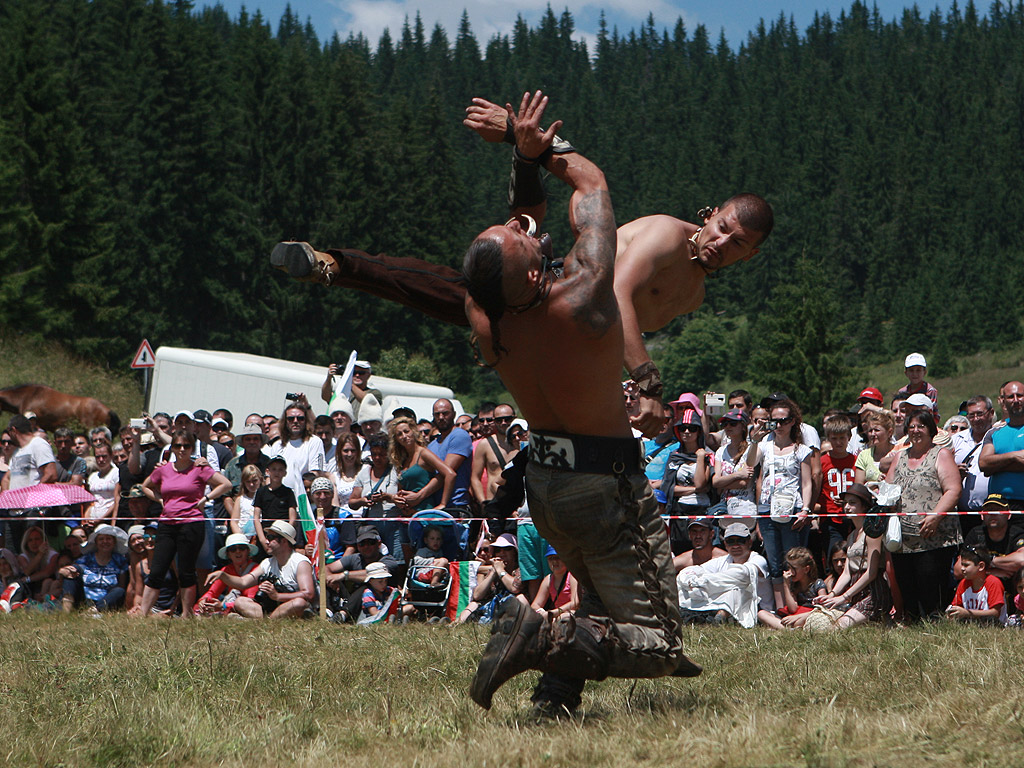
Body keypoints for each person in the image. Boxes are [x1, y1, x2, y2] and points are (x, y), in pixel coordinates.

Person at [274, 99, 772, 439]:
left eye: (737, 244)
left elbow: (618, 330)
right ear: (710, 215)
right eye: (723, 227)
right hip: (559, 284)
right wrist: (646, 379)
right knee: (451, 285)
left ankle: (524, 154)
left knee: (495, 260)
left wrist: (622, 390)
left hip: (572, 344)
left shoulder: (696, 296)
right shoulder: (666, 233)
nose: (722, 242)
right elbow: (615, 293)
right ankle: (334, 264)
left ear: (749, 257)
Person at [461, 91, 701, 716]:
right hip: (605, 483)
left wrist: (522, 154)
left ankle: (555, 698)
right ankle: (537, 633)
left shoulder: (487, 318)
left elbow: (523, 230)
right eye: (517, 237)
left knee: (596, 593)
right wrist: (538, 144)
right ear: (537, 273)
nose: (520, 227)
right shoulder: (586, 298)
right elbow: (590, 182)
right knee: (660, 646)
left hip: (545, 483)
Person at [138, 429, 231, 617]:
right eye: (178, 445)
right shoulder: (163, 469)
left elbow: (225, 484)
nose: (182, 449)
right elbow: (145, 486)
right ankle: (143, 613)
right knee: (157, 569)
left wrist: (206, 498)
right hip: (167, 523)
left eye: (186, 446)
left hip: (191, 523)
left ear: (192, 447)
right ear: (172, 447)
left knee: (187, 570)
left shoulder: (200, 468)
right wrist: (160, 500)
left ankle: (187, 614)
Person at [885, 411, 962, 620]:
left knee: (930, 590)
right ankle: (913, 625)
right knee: (908, 589)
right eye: (911, 426)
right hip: (903, 539)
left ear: (930, 430)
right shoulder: (900, 456)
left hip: (934, 538)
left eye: (921, 426)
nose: (915, 431)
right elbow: (888, 488)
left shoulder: (941, 454)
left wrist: (935, 517)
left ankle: (934, 627)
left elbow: (953, 490)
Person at [744, 398, 815, 609]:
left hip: (792, 507)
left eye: (784, 420)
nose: (779, 425)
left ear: (793, 421)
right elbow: (749, 464)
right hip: (767, 506)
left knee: (793, 560)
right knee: (774, 562)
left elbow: (807, 482)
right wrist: (754, 439)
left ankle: (796, 605)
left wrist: (805, 509)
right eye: (774, 421)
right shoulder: (765, 447)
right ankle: (780, 608)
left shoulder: (801, 449)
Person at [815, 483, 891, 628]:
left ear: (864, 506)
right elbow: (847, 572)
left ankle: (882, 619)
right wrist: (832, 595)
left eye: (852, 503)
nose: (847, 507)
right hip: (856, 591)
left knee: (838, 627)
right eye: (845, 503)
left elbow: (872, 572)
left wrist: (844, 597)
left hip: (873, 591)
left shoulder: (872, 533)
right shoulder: (851, 536)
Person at [207, 520, 315, 619]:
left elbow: (308, 594)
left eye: (271, 537)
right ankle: (270, 619)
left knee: (299, 603)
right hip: (272, 607)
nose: (266, 541)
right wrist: (222, 575)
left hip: (293, 606)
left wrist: (277, 596)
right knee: (240, 601)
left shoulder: (300, 562)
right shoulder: (267, 563)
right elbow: (243, 582)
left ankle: (265, 620)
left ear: (284, 541)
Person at [662, 411, 711, 555]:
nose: (687, 432)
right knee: (680, 549)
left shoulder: (707, 455)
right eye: (683, 428)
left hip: (702, 509)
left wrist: (700, 457)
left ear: (698, 431)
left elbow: (701, 483)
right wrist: (694, 489)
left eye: (692, 428)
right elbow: (668, 487)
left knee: (702, 551)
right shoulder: (674, 457)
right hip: (680, 510)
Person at [389, 416, 456, 513]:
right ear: (396, 439)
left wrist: (443, 504)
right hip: (408, 515)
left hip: (426, 513)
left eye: (406, 431)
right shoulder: (402, 460)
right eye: (399, 434)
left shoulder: (423, 453)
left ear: (413, 431)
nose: (404, 436)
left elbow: (450, 474)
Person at [58, 524, 129, 613]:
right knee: (70, 577)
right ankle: (66, 611)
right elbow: (72, 569)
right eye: (101, 539)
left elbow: (121, 585)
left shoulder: (120, 560)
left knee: (119, 591)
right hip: (84, 598)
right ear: (96, 542)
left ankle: (93, 611)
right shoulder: (86, 559)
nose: (105, 542)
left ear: (114, 542)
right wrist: (64, 570)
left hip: (107, 600)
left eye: (108, 539)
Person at [979, 382, 1024, 508]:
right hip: (998, 505)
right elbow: (983, 464)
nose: (1015, 400)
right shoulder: (994, 433)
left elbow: (989, 466)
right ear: (1003, 401)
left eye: (1019, 395)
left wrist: (997, 467)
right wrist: (1014, 456)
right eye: (1010, 397)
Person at [269, 400, 326, 499]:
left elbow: (317, 473)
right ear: (285, 421)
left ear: (306, 420)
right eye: (291, 419)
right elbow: (270, 475)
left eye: (300, 418)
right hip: (279, 499)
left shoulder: (315, 442)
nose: (295, 421)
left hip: (304, 499)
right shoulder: (277, 445)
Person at [425, 399, 474, 512]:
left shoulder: (459, 435)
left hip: (456, 505)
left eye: (445, 413)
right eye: (437, 414)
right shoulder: (432, 445)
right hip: (435, 506)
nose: (441, 417)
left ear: (454, 414)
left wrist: (419, 496)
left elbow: (446, 473)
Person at [195, 533, 260, 616]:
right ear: (228, 554)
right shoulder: (226, 570)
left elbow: (251, 599)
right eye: (233, 549)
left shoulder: (256, 569)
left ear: (248, 551)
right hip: (229, 607)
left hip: (247, 607)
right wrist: (204, 600)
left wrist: (224, 606)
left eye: (242, 548)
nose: (238, 551)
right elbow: (212, 592)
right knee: (197, 608)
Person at [945, 545, 1006, 624]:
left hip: (995, 625)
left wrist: (967, 613)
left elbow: (995, 613)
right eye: (962, 565)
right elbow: (956, 606)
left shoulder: (993, 582)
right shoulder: (963, 583)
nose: (962, 569)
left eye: (966, 565)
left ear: (981, 566)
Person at [778, 547, 828, 628]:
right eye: (789, 568)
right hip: (795, 614)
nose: (790, 572)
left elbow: (823, 609)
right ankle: (787, 627)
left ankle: (783, 627)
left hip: (810, 615)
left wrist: (798, 617)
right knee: (762, 614)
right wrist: (786, 585)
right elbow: (792, 609)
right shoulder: (794, 584)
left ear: (806, 569)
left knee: (799, 622)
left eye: (793, 568)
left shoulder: (818, 584)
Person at [529, 545, 579, 620]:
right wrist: (541, 612)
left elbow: (575, 602)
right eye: (550, 559)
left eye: (557, 558)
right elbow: (535, 605)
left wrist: (555, 612)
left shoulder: (572, 576)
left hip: (572, 614)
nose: (554, 562)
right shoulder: (548, 579)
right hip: (556, 616)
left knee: (564, 617)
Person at [83, 442, 120, 533]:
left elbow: (116, 500)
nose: (101, 460)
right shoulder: (93, 477)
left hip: (108, 518)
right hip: (93, 518)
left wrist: (102, 519)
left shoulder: (116, 473)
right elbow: (90, 501)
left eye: (104, 456)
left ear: (111, 456)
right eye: (97, 457)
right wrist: (86, 519)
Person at [854, 410, 897, 485]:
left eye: (877, 430)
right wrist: (874, 484)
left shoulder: (898, 452)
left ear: (889, 432)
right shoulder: (863, 455)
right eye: (870, 431)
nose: (873, 434)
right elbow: (858, 485)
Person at [895, 353, 939, 423]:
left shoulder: (930, 391)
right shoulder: (902, 391)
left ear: (924, 372)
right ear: (906, 373)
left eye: (918, 370)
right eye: (911, 370)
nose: (915, 374)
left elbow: (933, 413)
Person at [17, 525, 58, 599]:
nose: (34, 543)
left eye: (37, 539)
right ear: (26, 543)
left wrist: (28, 579)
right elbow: (26, 572)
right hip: (31, 588)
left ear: (43, 540)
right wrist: (39, 555)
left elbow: (47, 573)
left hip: (49, 585)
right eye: (30, 540)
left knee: (48, 581)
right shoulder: (22, 557)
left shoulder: (53, 554)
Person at [328, 433, 362, 516]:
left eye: (353, 451)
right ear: (339, 452)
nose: (349, 454)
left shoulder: (365, 471)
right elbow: (335, 505)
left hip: (363, 518)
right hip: (345, 520)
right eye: (346, 451)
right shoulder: (334, 477)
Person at [226, 464, 262, 541]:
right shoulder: (240, 499)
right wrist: (240, 538)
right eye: (248, 481)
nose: (251, 484)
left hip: (260, 537)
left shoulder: (265, 498)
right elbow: (234, 522)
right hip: (244, 537)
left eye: (255, 481)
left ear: (260, 479)